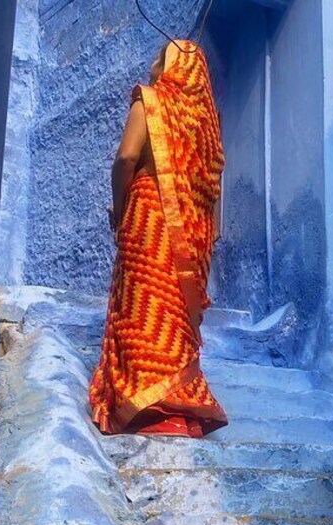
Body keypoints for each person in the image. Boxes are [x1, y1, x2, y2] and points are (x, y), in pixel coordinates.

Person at [89, 40, 227, 437]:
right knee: (172, 311)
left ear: (171, 68)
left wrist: (120, 208)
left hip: (150, 215)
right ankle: (178, 401)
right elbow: (212, 185)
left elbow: (125, 159)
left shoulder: (149, 102)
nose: (152, 65)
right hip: (193, 228)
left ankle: (142, 398)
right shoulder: (205, 122)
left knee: (143, 304)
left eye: (158, 57)